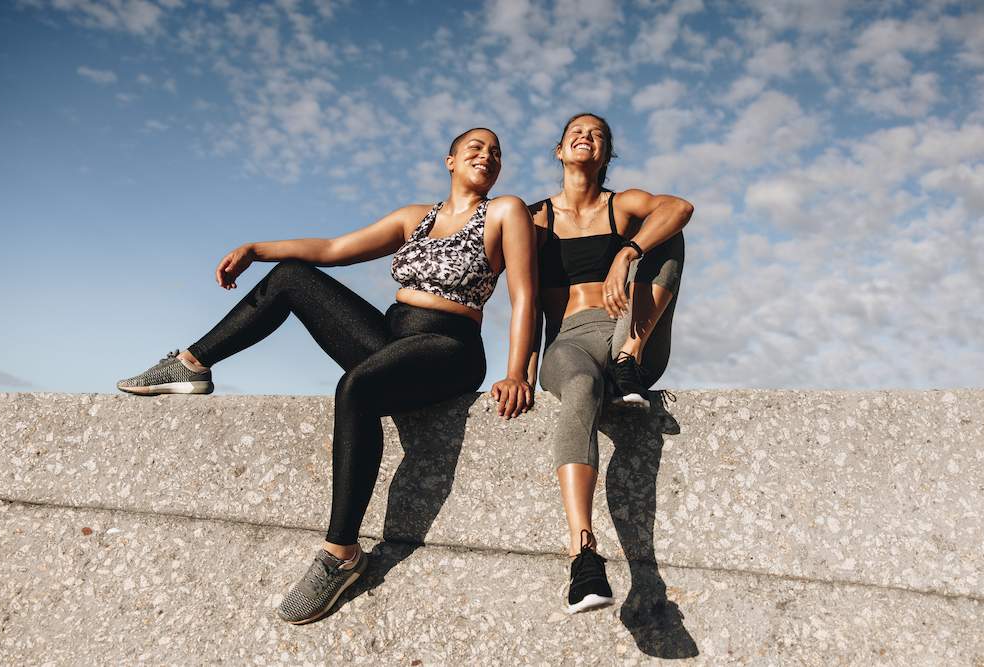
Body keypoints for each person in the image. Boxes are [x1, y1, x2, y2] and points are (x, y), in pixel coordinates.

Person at [117, 128, 536, 624]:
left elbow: (524, 296)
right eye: (475, 148)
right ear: (450, 161)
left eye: (495, 152)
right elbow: (336, 247)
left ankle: (341, 554)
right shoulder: (414, 217)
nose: (486, 156)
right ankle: (192, 365)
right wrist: (258, 248)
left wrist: (516, 373)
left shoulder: (507, 211)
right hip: (392, 336)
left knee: (356, 385)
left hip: (450, 347)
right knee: (292, 276)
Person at [527, 113, 692, 614]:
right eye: (577, 131)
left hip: (632, 333)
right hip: (570, 342)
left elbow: (680, 207)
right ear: (559, 150)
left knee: (667, 229)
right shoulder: (537, 218)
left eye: (598, 133)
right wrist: (521, 371)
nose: (586, 136)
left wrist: (629, 250)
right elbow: (524, 300)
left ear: (606, 154)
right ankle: (584, 554)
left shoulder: (624, 206)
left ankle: (627, 363)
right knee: (579, 386)